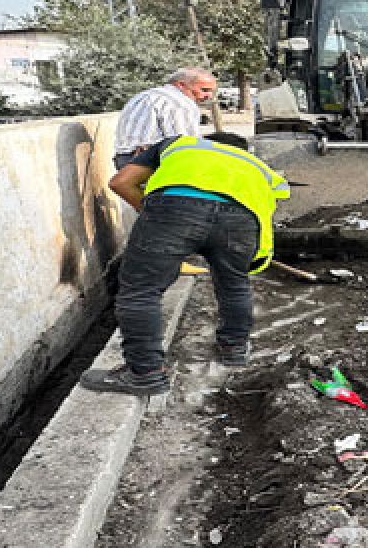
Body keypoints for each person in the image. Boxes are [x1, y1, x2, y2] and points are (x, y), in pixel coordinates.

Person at [80, 132, 291, 396]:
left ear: (206, 141)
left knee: (141, 290)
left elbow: (121, 182)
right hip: (241, 218)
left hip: (174, 207)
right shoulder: (258, 167)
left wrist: (159, 216)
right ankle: (234, 350)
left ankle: (145, 374)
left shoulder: (180, 144)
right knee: (234, 283)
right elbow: (264, 213)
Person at [113, 67, 217, 170]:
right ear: (181, 85)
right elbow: (184, 143)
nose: (209, 96)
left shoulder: (143, 95)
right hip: (151, 162)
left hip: (124, 159)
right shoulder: (180, 103)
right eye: (204, 90)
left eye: (211, 91)